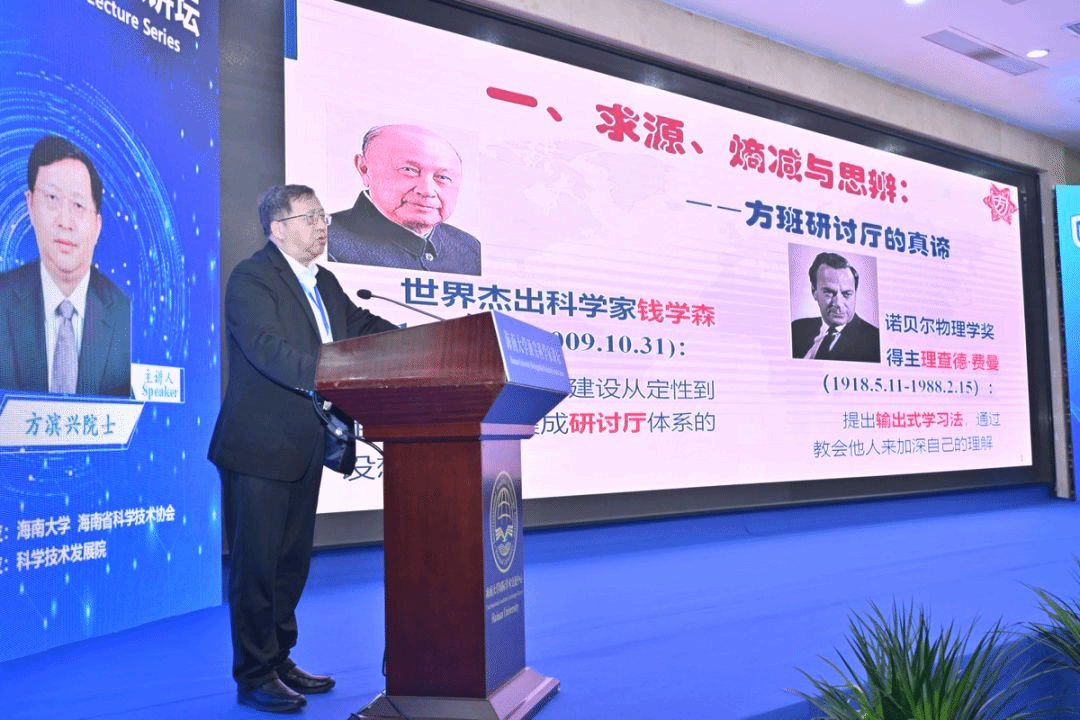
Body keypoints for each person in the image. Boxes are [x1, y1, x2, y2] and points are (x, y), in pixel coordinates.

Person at [208, 184, 396, 713]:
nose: (322, 225)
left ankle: (279, 658)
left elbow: (360, 328)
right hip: (258, 447)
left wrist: (418, 339)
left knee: (290, 563)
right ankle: (253, 674)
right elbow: (267, 349)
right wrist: (335, 379)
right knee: (257, 566)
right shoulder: (252, 278)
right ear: (278, 228)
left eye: (322, 216)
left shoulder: (325, 282)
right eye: (310, 217)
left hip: (305, 444)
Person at [0, 134, 131, 396]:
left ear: (97, 226)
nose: (65, 221)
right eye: (51, 198)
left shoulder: (122, 312)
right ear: (30, 205)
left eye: (78, 205)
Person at [327, 124, 481, 276]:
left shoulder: (470, 249)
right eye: (409, 170)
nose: (427, 191)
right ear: (364, 169)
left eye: (442, 177)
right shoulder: (324, 242)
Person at [791, 251, 880, 363]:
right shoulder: (796, 329)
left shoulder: (875, 341)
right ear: (814, 292)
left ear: (855, 294)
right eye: (829, 293)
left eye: (847, 294)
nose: (838, 303)